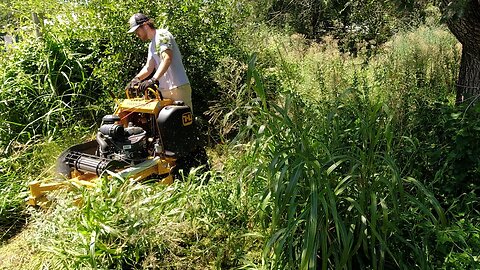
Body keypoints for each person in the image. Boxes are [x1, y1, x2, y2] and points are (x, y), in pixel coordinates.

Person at [127, 13, 193, 110]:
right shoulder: (151, 45)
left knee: (183, 121)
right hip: (165, 91)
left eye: (137, 30)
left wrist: (153, 80)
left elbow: (167, 58)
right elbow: (148, 67)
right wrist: (136, 79)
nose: (137, 34)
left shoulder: (162, 34)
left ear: (145, 25)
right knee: (165, 123)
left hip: (178, 87)